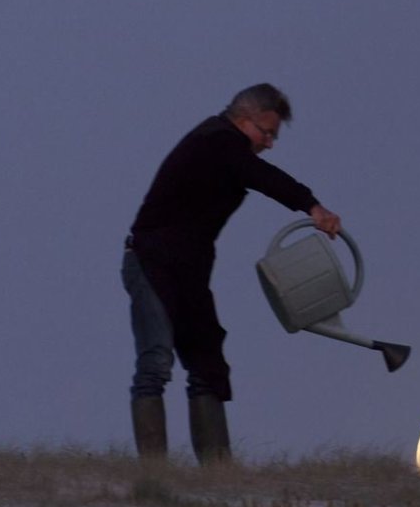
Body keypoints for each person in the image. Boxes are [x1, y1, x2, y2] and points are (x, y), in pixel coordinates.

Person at [122, 83, 341, 464]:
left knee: (208, 366)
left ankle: (218, 474)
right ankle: (153, 473)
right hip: (151, 261)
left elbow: (252, 171)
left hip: (190, 270)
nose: (270, 142)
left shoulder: (225, 146)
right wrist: (312, 206)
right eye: (266, 132)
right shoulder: (217, 141)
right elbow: (261, 175)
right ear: (243, 120)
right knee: (155, 361)